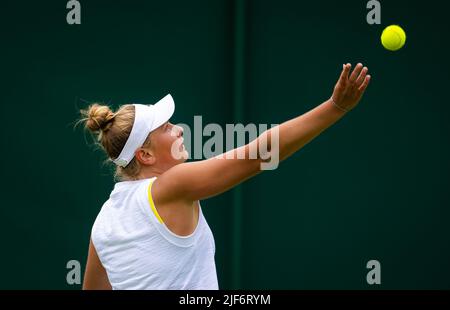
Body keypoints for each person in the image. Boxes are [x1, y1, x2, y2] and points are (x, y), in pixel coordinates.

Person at [79, 63, 370, 290]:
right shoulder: (170, 185)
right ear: (146, 155)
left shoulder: (103, 222)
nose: (179, 129)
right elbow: (259, 155)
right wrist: (335, 107)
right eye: (166, 128)